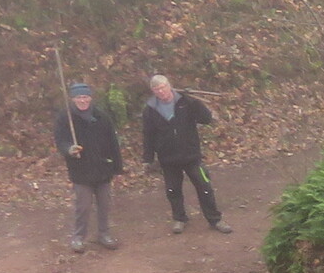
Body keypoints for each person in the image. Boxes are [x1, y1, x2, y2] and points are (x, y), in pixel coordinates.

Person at [140, 74, 231, 235]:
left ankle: (215, 219)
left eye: (163, 87)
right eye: (157, 89)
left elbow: (206, 119)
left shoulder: (186, 102)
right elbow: (148, 135)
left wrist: (195, 103)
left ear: (169, 86)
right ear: (153, 91)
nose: (161, 91)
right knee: (172, 190)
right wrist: (148, 158)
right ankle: (179, 218)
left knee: (204, 187)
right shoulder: (150, 110)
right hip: (168, 158)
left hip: (191, 156)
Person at [53, 80, 124, 253]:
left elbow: (113, 143)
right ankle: (78, 237)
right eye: (79, 97)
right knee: (83, 206)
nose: (82, 100)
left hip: (103, 167)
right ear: (73, 99)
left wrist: (117, 168)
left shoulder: (102, 117)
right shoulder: (65, 118)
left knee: (104, 205)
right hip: (81, 170)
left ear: (91, 98)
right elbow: (60, 141)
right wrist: (69, 149)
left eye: (85, 97)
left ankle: (104, 234)